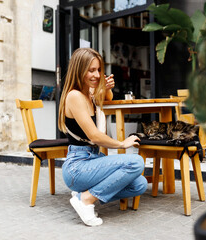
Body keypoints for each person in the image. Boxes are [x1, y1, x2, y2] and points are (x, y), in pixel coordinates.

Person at [58, 48, 148, 227]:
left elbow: (106, 98)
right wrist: (122, 143)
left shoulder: (89, 94)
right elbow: (94, 136)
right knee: (136, 162)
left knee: (140, 185)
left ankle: (83, 194)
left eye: (98, 70)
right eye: (91, 70)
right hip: (78, 166)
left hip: (93, 160)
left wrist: (106, 87)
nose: (97, 75)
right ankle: (86, 200)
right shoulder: (75, 96)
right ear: (79, 70)